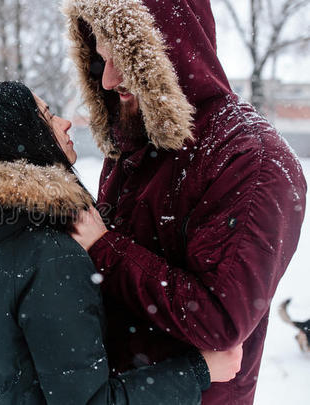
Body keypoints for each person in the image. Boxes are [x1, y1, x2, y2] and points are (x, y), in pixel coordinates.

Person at [0, 81, 242, 405]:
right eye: (48, 116)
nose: (64, 122)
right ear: (24, 140)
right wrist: (198, 371)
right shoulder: (51, 256)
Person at [62, 1, 307, 404]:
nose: (107, 80)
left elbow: (220, 318)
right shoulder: (135, 137)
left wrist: (105, 249)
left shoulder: (250, 158)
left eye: (123, 57)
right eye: (103, 60)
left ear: (171, 49)